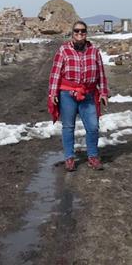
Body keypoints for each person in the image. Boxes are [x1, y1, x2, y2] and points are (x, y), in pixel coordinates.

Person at [47, 20, 109, 171]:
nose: (80, 34)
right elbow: (55, 73)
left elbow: (101, 73)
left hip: (88, 94)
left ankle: (93, 157)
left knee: (93, 127)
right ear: (72, 33)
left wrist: (103, 92)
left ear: (86, 33)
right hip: (67, 94)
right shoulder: (63, 50)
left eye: (82, 31)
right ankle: (69, 158)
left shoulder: (94, 51)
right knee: (68, 127)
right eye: (77, 31)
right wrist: (53, 93)